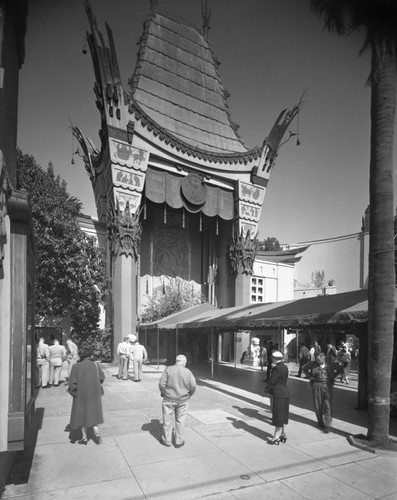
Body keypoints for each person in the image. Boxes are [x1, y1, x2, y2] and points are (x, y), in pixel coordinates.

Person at [67, 348, 105, 444]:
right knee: (94, 414)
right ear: (90, 355)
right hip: (94, 393)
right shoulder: (96, 365)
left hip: (81, 394)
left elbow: (72, 383)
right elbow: (101, 377)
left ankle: (84, 437)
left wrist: (74, 393)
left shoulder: (76, 366)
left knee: (83, 415)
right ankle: (97, 433)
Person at [159, 354, 196, 447]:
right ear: (184, 362)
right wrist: (189, 394)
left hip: (169, 398)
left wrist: (163, 393)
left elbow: (162, 384)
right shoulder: (187, 371)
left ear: (176, 361)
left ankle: (166, 440)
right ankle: (178, 441)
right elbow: (193, 386)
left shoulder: (168, 369)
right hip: (183, 399)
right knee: (180, 420)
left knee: (167, 420)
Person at [305, 352, 342, 433]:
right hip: (317, 385)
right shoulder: (312, 364)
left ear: (323, 358)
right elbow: (304, 368)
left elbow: (340, 369)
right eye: (316, 359)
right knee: (318, 405)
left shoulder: (331, 364)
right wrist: (309, 377)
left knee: (327, 405)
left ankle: (327, 424)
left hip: (328, 386)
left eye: (319, 359)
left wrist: (334, 376)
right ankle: (320, 422)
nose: (317, 361)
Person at [266, 351, 289, 444]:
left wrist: (267, 390)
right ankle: (283, 433)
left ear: (275, 359)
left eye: (273, 358)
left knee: (278, 414)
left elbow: (272, 381)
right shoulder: (285, 367)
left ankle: (276, 436)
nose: (272, 360)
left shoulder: (277, 368)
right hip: (285, 392)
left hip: (278, 393)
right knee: (282, 414)